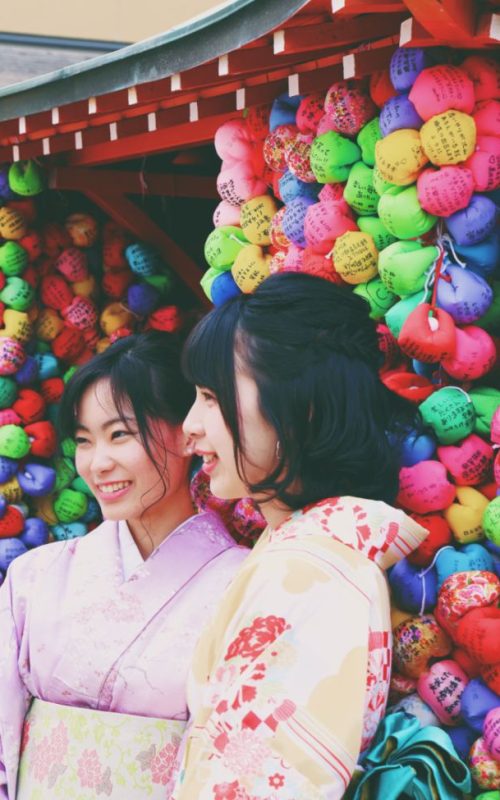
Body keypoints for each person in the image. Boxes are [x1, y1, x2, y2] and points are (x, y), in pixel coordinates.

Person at [171, 273, 428, 800]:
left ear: (300, 403)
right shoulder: (318, 557)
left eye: (210, 396)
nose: (189, 426)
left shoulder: (308, 574)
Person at [0, 331, 249, 800]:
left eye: (119, 435)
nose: (98, 463)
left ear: (186, 433)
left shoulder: (244, 584)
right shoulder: (33, 577)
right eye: (84, 441)